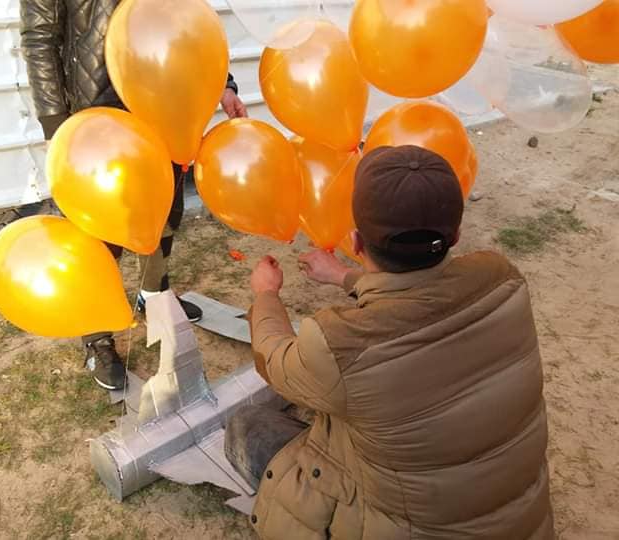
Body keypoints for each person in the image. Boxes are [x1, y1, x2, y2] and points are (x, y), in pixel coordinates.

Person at [225, 145, 554, 539]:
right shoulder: (503, 279)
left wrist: (265, 295)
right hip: (523, 526)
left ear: (357, 241)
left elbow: (275, 359)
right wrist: (343, 277)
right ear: (455, 234)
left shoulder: (339, 344)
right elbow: (422, 297)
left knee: (249, 425)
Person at [19, 0, 247, 390]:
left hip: (163, 100)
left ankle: (154, 297)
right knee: (99, 233)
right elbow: (40, 36)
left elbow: (185, 17)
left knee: (163, 213)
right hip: (97, 107)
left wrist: (222, 83)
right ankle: (96, 335)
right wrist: (57, 124)